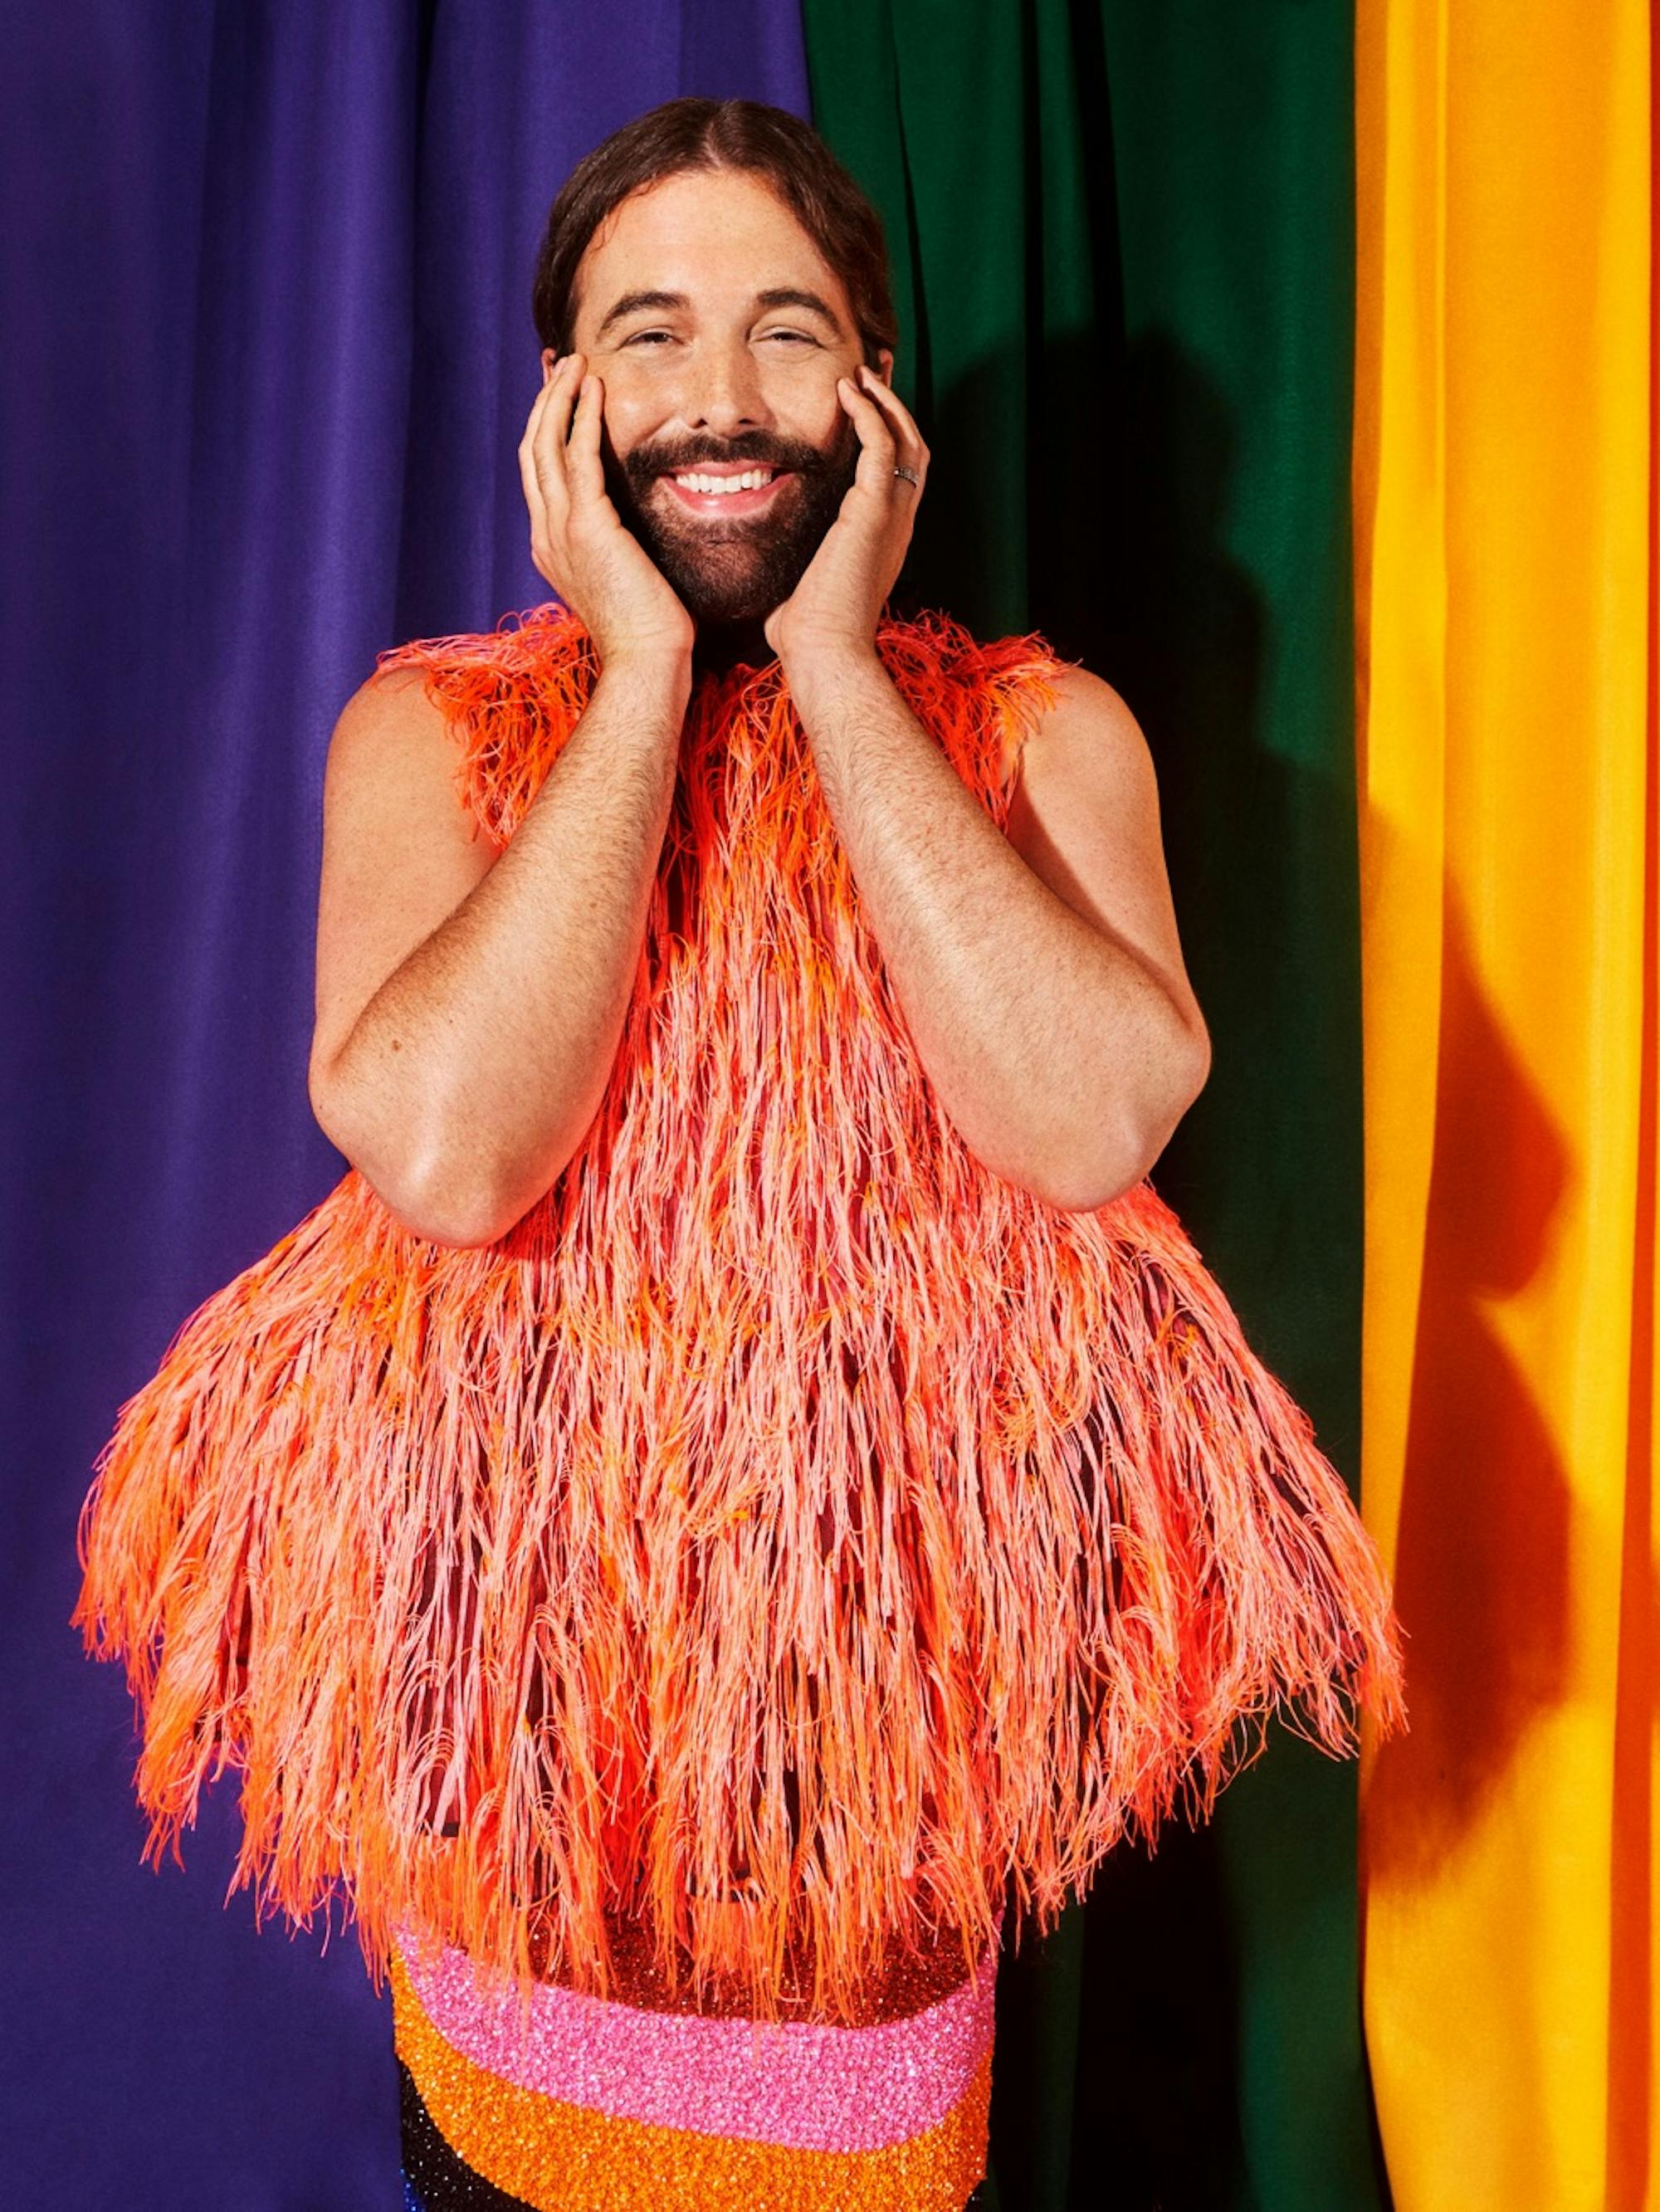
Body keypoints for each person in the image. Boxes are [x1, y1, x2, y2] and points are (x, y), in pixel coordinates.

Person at [74, 97, 1408, 2212]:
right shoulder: (431, 734)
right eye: (651, 332)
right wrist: (630, 683)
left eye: (788, 333)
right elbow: (448, 1149)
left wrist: (828, 667)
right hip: (530, 1873)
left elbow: (1087, 1119)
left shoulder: (1049, 738)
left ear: (874, 391)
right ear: (559, 406)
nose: (719, 398)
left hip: (866, 1904)